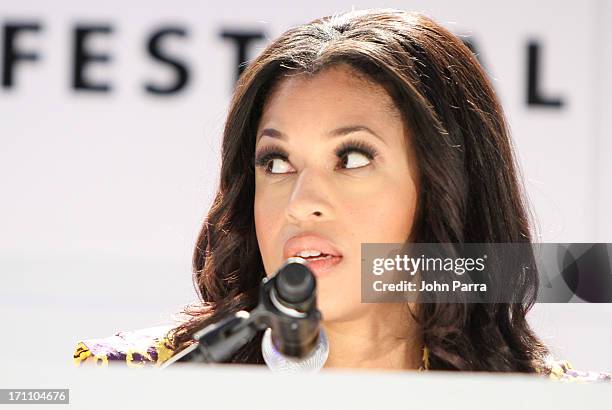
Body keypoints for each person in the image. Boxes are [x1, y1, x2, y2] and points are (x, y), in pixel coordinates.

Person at [73, 8, 611, 381]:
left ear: (448, 188)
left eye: (352, 158)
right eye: (276, 163)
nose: (302, 200)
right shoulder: (135, 384)